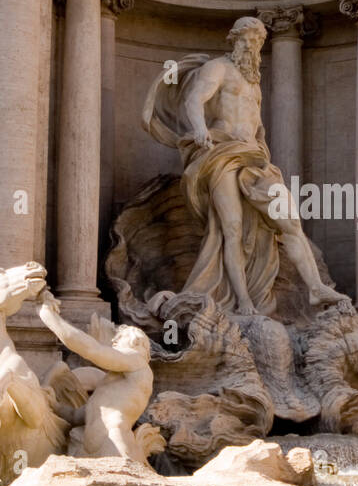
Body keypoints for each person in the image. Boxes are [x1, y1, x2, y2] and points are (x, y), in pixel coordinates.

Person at [142, 16, 345, 316]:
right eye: (249, 40)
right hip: (221, 153)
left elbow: (256, 124)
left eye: (259, 42)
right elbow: (193, 101)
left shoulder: (253, 82)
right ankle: (243, 301)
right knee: (231, 229)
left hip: (254, 159)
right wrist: (199, 129)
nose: (253, 46)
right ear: (235, 39)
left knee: (289, 219)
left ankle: (315, 288)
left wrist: (259, 144)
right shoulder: (217, 68)